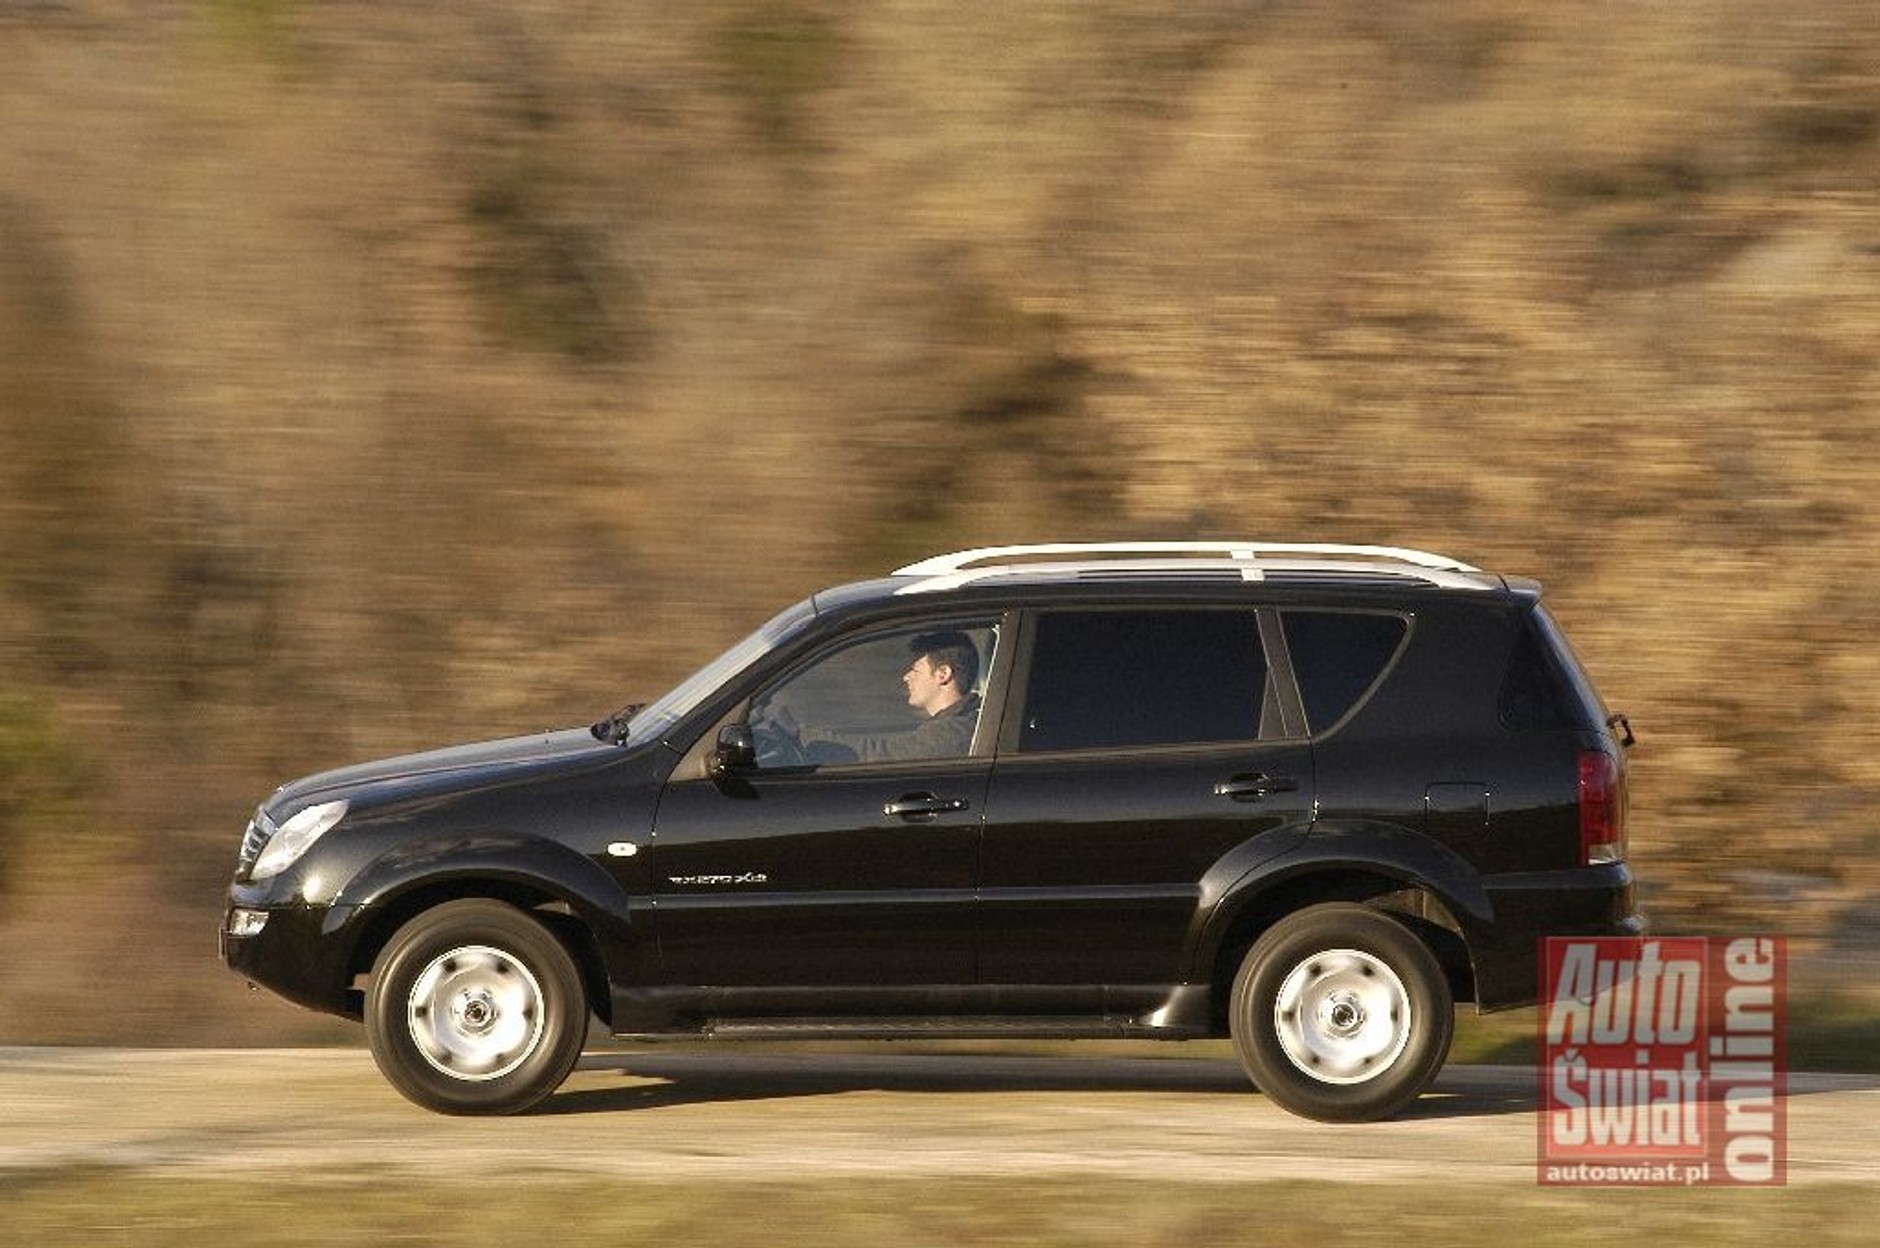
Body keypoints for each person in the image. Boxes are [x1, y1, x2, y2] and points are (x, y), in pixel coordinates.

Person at [769, 631, 982, 763]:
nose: (906, 677)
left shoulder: (955, 731)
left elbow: (879, 754)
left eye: (915, 670)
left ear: (943, 674)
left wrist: (799, 734)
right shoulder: (957, 722)